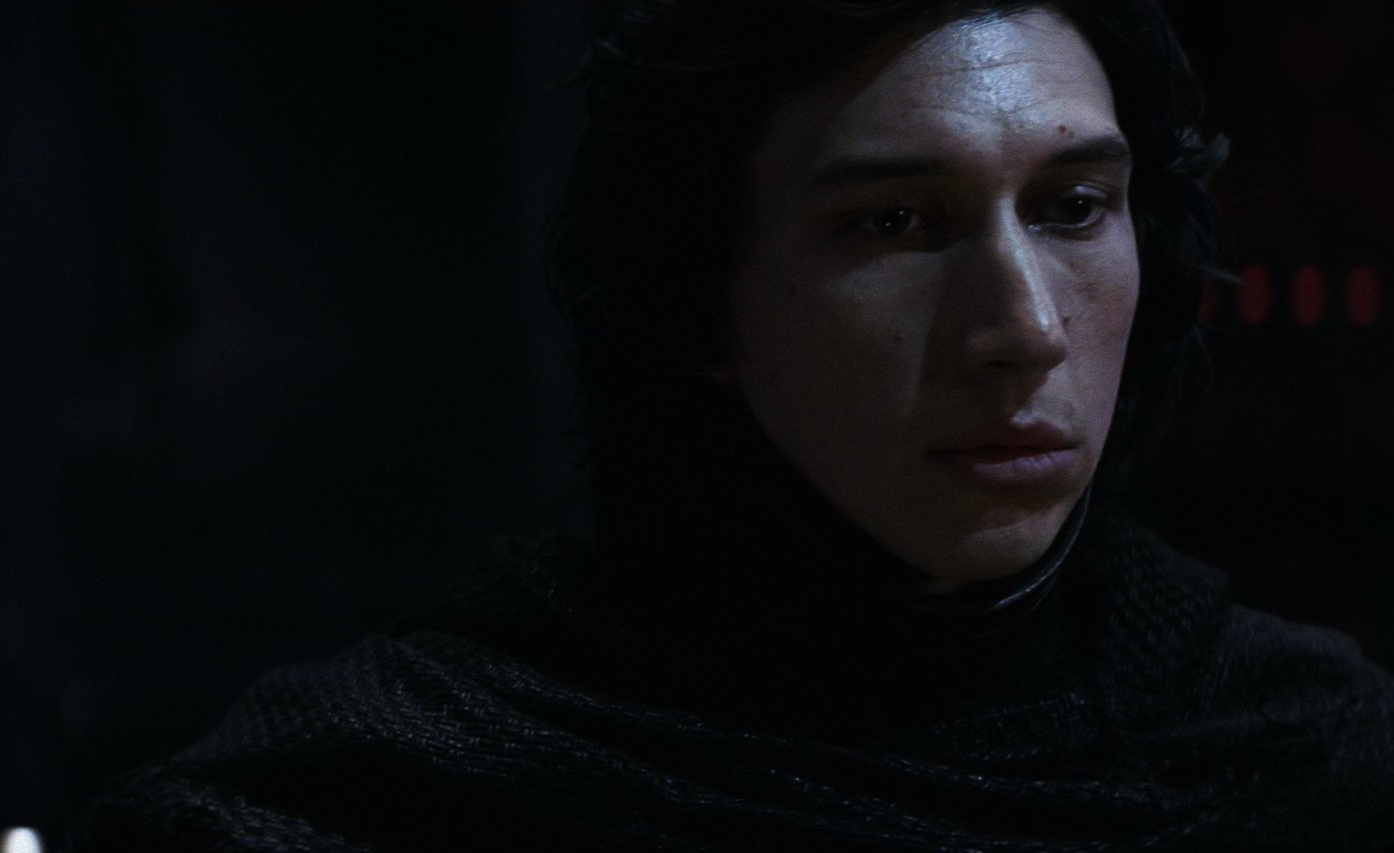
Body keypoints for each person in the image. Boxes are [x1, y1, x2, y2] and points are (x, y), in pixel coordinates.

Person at [77, 1, 1394, 849]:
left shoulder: (1299, 753)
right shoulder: (395, 793)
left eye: (1072, 207)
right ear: (703, 296)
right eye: (896, 221)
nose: (1025, 328)